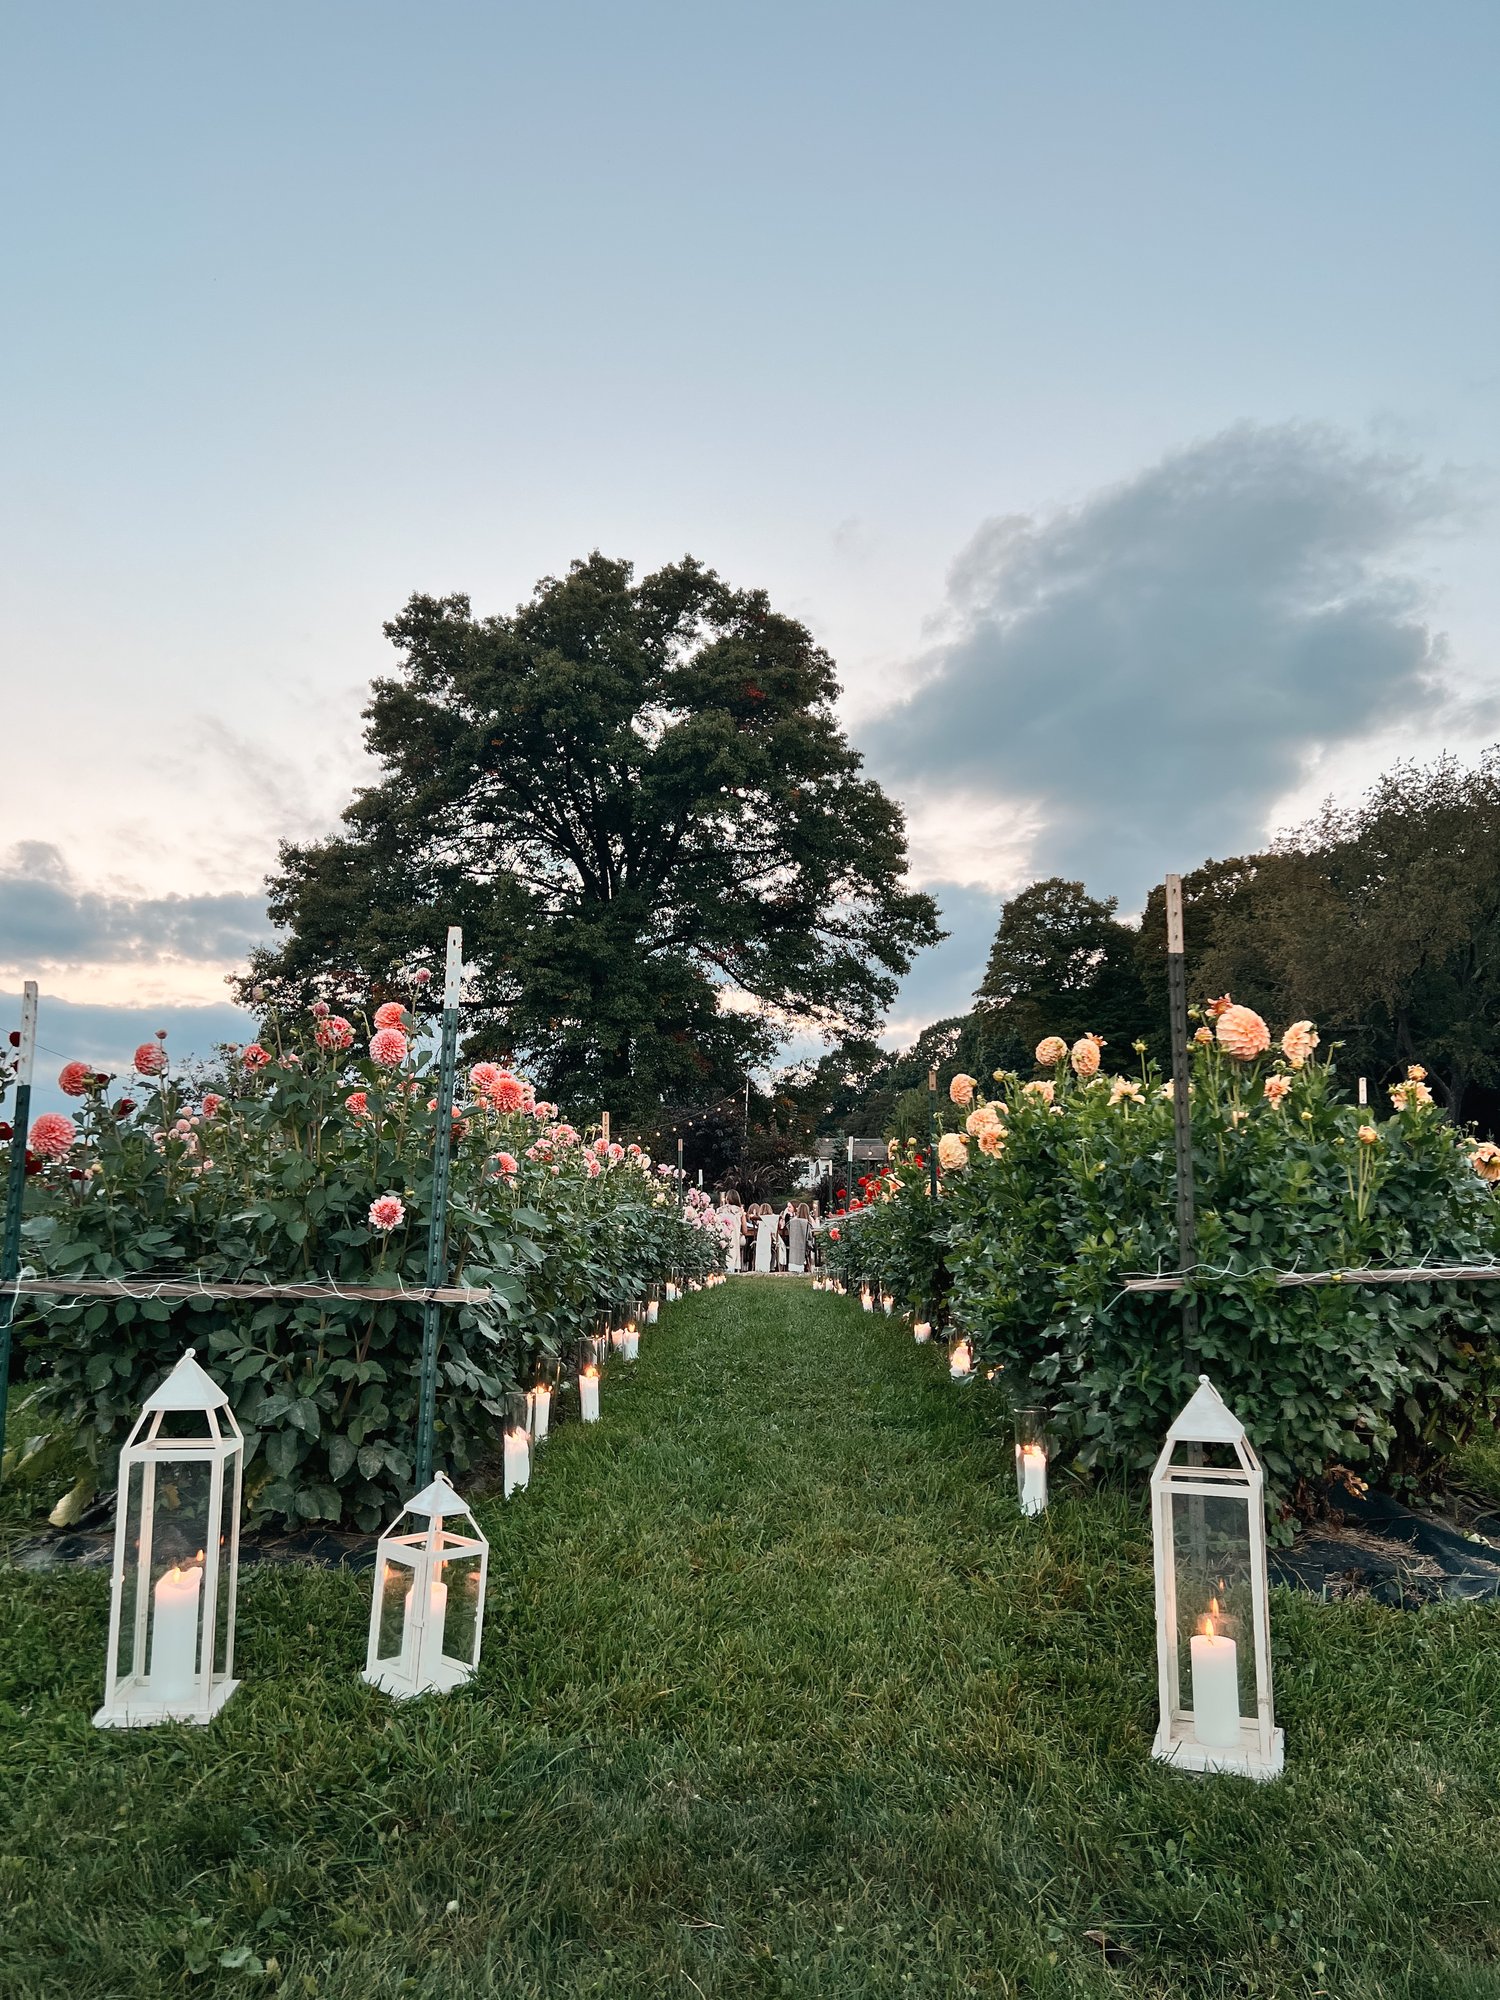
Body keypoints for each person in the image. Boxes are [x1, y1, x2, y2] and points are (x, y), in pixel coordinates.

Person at [716, 1190, 745, 1273]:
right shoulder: (739, 1211)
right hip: (734, 1238)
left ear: (727, 1199)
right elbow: (745, 1230)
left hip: (721, 1237)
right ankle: (734, 1268)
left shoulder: (719, 1210)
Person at [786, 1201, 811, 1275]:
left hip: (794, 1245)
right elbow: (811, 1232)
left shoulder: (792, 1221)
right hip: (805, 1244)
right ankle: (810, 1265)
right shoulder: (808, 1221)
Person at [753, 1201, 777, 1274]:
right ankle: (767, 1267)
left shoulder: (759, 1220)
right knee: (768, 1252)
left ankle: (759, 1267)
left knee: (760, 1252)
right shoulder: (773, 1219)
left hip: (760, 1240)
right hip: (769, 1239)